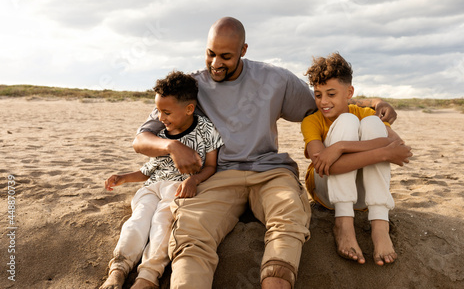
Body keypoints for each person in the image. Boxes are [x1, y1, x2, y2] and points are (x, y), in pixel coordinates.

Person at [133, 17, 398, 289]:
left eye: (225, 56)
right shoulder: (190, 87)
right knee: (192, 231)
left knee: (289, 218)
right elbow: (141, 139)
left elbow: (327, 103)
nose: (215, 63)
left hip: (270, 172)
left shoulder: (274, 79)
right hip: (218, 175)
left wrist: (373, 102)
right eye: (210, 54)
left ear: (243, 51)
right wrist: (172, 146)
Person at [100, 71, 223, 289]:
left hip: (177, 188)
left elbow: (212, 166)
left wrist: (194, 181)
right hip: (151, 187)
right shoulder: (162, 135)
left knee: (162, 223)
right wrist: (124, 178)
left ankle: (147, 276)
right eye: (158, 111)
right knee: (137, 221)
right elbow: (149, 170)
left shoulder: (206, 130)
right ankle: (118, 269)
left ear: (189, 109)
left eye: (166, 112)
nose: (160, 118)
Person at [301, 52, 412, 266]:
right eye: (318, 94)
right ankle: (343, 223)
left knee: (371, 124)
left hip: (362, 198)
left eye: (331, 94)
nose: (323, 102)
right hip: (327, 192)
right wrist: (383, 152)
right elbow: (326, 168)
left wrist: (340, 147)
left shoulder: (365, 113)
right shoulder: (311, 121)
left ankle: (380, 226)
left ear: (349, 92)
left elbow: (398, 145)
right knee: (347, 121)